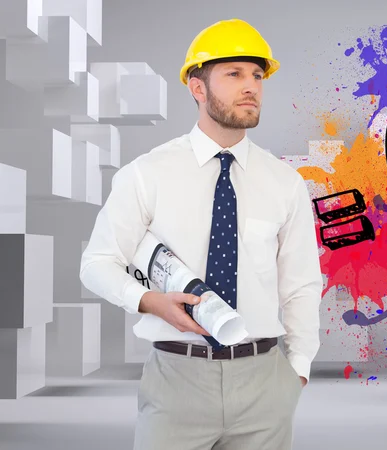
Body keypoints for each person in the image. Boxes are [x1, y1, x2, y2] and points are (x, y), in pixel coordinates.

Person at [80, 18, 323, 450]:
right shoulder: (147, 174)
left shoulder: (285, 182)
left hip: (264, 381)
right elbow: (97, 263)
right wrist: (149, 300)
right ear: (197, 87)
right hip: (176, 381)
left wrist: (298, 368)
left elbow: (301, 284)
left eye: (257, 75)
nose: (251, 86)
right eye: (234, 74)